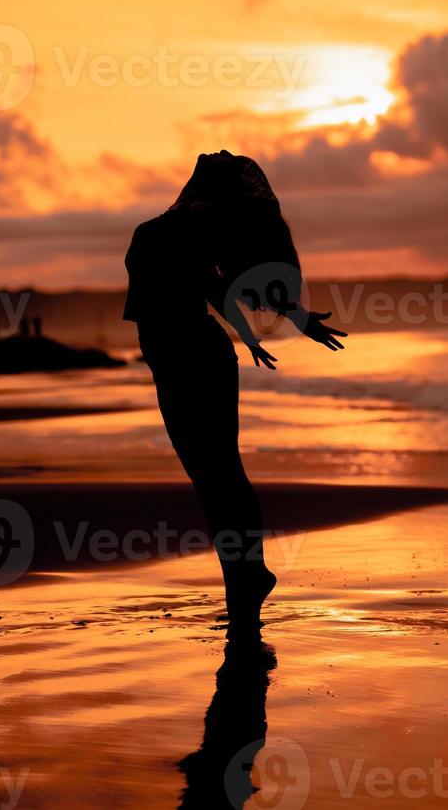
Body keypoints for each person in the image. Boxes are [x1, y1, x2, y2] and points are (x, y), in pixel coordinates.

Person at [123, 150, 346, 634]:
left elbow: (221, 287)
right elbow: (215, 287)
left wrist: (287, 321)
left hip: (195, 357)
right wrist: (261, 333)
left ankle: (245, 579)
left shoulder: (186, 223)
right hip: (177, 357)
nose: (214, 155)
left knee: (220, 472)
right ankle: (245, 578)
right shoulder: (167, 225)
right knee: (214, 475)